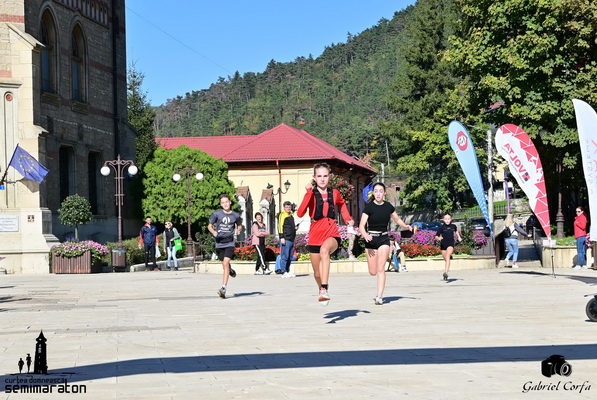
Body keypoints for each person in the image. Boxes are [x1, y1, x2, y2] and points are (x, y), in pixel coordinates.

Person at [297, 163, 354, 305]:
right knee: (317, 273)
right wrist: (308, 193)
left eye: (325, 176)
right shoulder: (311, 194)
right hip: (315, 234)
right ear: (314, 178)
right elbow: (300, 213)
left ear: (329, 177)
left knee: (324, 251)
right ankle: (321, 290)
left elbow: (342, 204)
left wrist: (348, 219)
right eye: (319, 176)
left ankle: (324, 288)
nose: (322, 179)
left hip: (331, 232)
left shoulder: (334, 193)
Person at [359, 182, 412, 305]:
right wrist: (365, 235)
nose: (378, 194)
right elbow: (361, 225)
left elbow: (397, 219)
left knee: (380, 269)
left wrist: (406, 226)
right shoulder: (369, 207)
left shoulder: (388, 206)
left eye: (380, 191)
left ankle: (379, 296)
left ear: (384, 193)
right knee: (373, 272)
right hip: (371, 240)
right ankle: (378, 294)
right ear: (373, 193)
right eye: (376, 191)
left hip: (383, 239)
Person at [208, 194, 243, 299]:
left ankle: (223, 288)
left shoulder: (235, 215)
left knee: (226, 263)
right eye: (223, 203)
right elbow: (209, 226)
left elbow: (239, 225)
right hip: (219, 243)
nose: (225, 204)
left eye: (226, 202)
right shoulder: (216, 214)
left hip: (229, 242)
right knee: (224, 265)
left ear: (230, 202)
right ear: (220, 204)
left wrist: (238, 230)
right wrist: (213, 232)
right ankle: (230, 270)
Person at [435, 213, 462, 281]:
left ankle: (446, 272)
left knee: (447, 256)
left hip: (450, 244)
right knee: (446, 259)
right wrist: (438, 238)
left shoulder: (453, 226)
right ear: (443, 220)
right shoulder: (441, 227)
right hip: (443, 245)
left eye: (448, 219)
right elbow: (436, 236)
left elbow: (456, 231)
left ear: (451, 219)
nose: (447, 220)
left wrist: (459, 237)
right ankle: (449, 257)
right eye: (446, 219)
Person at [278, 201, 297, 278]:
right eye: (287, 207)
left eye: (289, 207)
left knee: (290, 256)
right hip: (286, 238)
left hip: (291, 238)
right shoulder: (282, 215)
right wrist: (281, 237)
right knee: (285, 256)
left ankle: (287, 270)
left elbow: (290, 226)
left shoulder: (291, 215)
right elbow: (280, 226)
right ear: (284, 207)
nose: (288, 208)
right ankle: (283, 272)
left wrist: (295, 228)